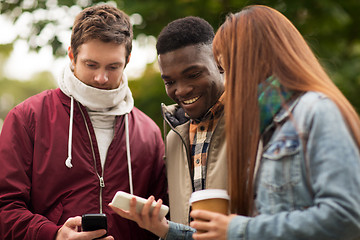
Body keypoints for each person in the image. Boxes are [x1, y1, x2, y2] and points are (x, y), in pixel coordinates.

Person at [188, 5, 360, 240]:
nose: (226, 84)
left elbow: (346, 217)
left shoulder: (316, 111)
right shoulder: (267, 128)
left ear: (249, 62)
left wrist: (240, 230)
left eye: (226, 70)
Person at [0, 4, 167, 240]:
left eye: (113, 67)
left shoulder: (148, 132)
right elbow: (5, 208)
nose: (101, 77)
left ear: (127, 60)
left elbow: (162, 220)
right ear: (72, 55)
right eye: (91, 65)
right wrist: (55, 235)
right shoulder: (27, 118)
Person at [110, 16, 226, 239]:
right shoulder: (173, 138)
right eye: (170, 82)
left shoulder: (251, 119)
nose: (180, 91)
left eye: (193, 74)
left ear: (219, 62)